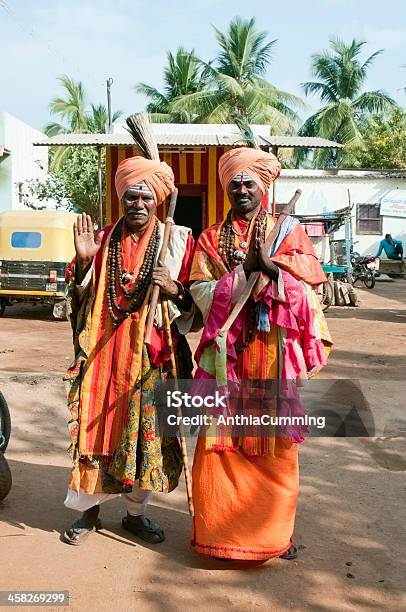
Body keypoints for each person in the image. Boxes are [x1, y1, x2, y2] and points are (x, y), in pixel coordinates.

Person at [189, 147, 332, 562]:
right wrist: (237, 279)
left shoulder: (290, 233)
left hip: (273, 357)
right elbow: (200, 289)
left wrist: (272, 272)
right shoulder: (211, 238)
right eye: (234, 183)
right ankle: (219, 533)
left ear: (264, 187)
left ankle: (274, 536)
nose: (241, 189)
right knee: (220, 446)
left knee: (277, 450)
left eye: (249, 182)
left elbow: (311, 293)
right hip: (225, 361)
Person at [62, 155, 196, 545]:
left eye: (146, 197)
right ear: (121, 199)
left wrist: (175, 289)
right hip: (103, 356)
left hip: (151, 359)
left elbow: (196, 304)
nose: (138, 204)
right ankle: (88, 513)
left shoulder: (176, 242)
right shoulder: (101, 240)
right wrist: (85, 264)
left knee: (146, 439)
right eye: (131, 197)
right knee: (95, 430)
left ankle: (136, 514)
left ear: (157, 201)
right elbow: (77, 295)